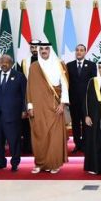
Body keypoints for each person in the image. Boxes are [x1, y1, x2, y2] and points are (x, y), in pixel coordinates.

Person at [26, 42, 69, 174]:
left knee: (54, 136)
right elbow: (29, 88)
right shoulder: (34, 67)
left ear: (50, 50)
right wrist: (30, 106)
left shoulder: (59, 64)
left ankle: (54, 164)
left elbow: (65, 85)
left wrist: (62, 104)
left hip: (54, 106)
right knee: (39, 136)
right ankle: (40, 164)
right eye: (41, 49)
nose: (44, 51)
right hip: (38, 107)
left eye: (46, 49)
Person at [0, 54, 27, 172]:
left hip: (12, 115)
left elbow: (25, 94)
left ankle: (15, 163)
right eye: (2, 62)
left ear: (11, 64)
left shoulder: (19, 76)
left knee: (14, 141)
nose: (3, 64)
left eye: (6, 62)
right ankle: (0, 163)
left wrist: (24, 109)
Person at [66, 44, 96, 154]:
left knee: (86, 123)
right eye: (77, 50)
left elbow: (94, 84)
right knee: (75, 123)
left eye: (81, 50)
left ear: (85, 52)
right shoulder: (69, 65)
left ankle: (85, 144)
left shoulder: (92, 65)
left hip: (87, 101)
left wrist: (92, 100)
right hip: (73, 100)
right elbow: (67, 83)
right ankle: (77, 144)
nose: (79, 52)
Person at [19, 39, 40, 155]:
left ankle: (41, 147)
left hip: (41, 95)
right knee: (27, 122)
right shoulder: (24, 62)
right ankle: (28, 146)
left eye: (36, 47)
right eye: (32, 47)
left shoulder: (46, 61)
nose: (34, 49)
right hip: (27, 94)